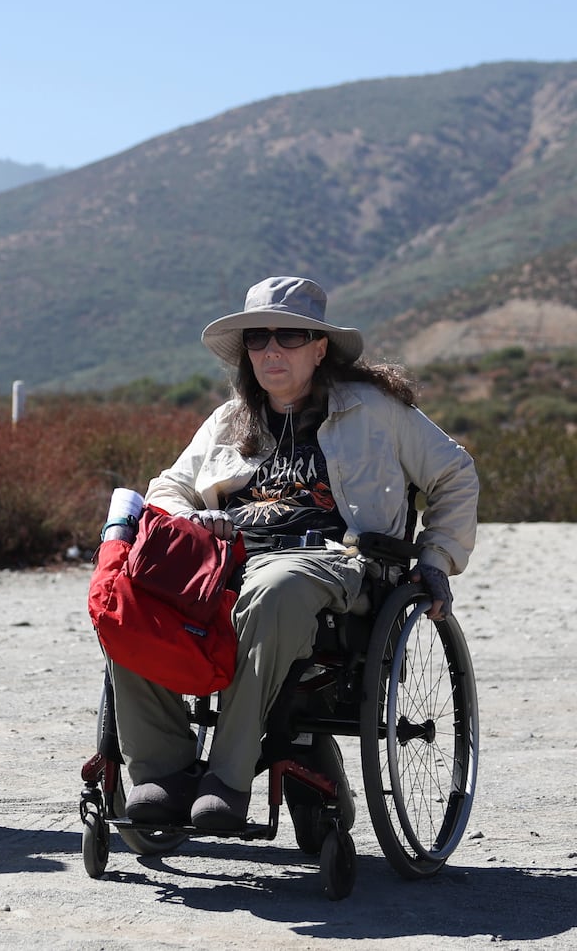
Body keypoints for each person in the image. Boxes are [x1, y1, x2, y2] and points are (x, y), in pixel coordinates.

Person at [112, 275, 478, 830]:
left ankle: (227, 779)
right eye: (258, 339)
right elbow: (168, 486)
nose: (271, 350)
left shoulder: (373, 410)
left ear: (319, 347)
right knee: (131, 596)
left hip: (333, 562)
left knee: (274, 587)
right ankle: (163, 773)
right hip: (229, 563)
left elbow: (455, 472)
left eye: (288, 336)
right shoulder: (230, 419)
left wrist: (435, 558)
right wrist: (189, 520)